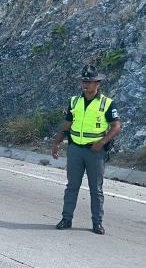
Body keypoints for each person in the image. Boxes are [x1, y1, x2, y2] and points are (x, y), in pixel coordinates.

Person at [51, 64, 121, 235]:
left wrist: (102, 142)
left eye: (89, 81)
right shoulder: (75, 101)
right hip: (75, 149)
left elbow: (116, 127)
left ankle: (97, 223)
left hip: (95, 152)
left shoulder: (107, 103)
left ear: (98, 83)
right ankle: (66, 219)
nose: (86, 84)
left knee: (95, 189)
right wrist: (57, 142)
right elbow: (67, 123)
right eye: (84, 81)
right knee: (72, 186)